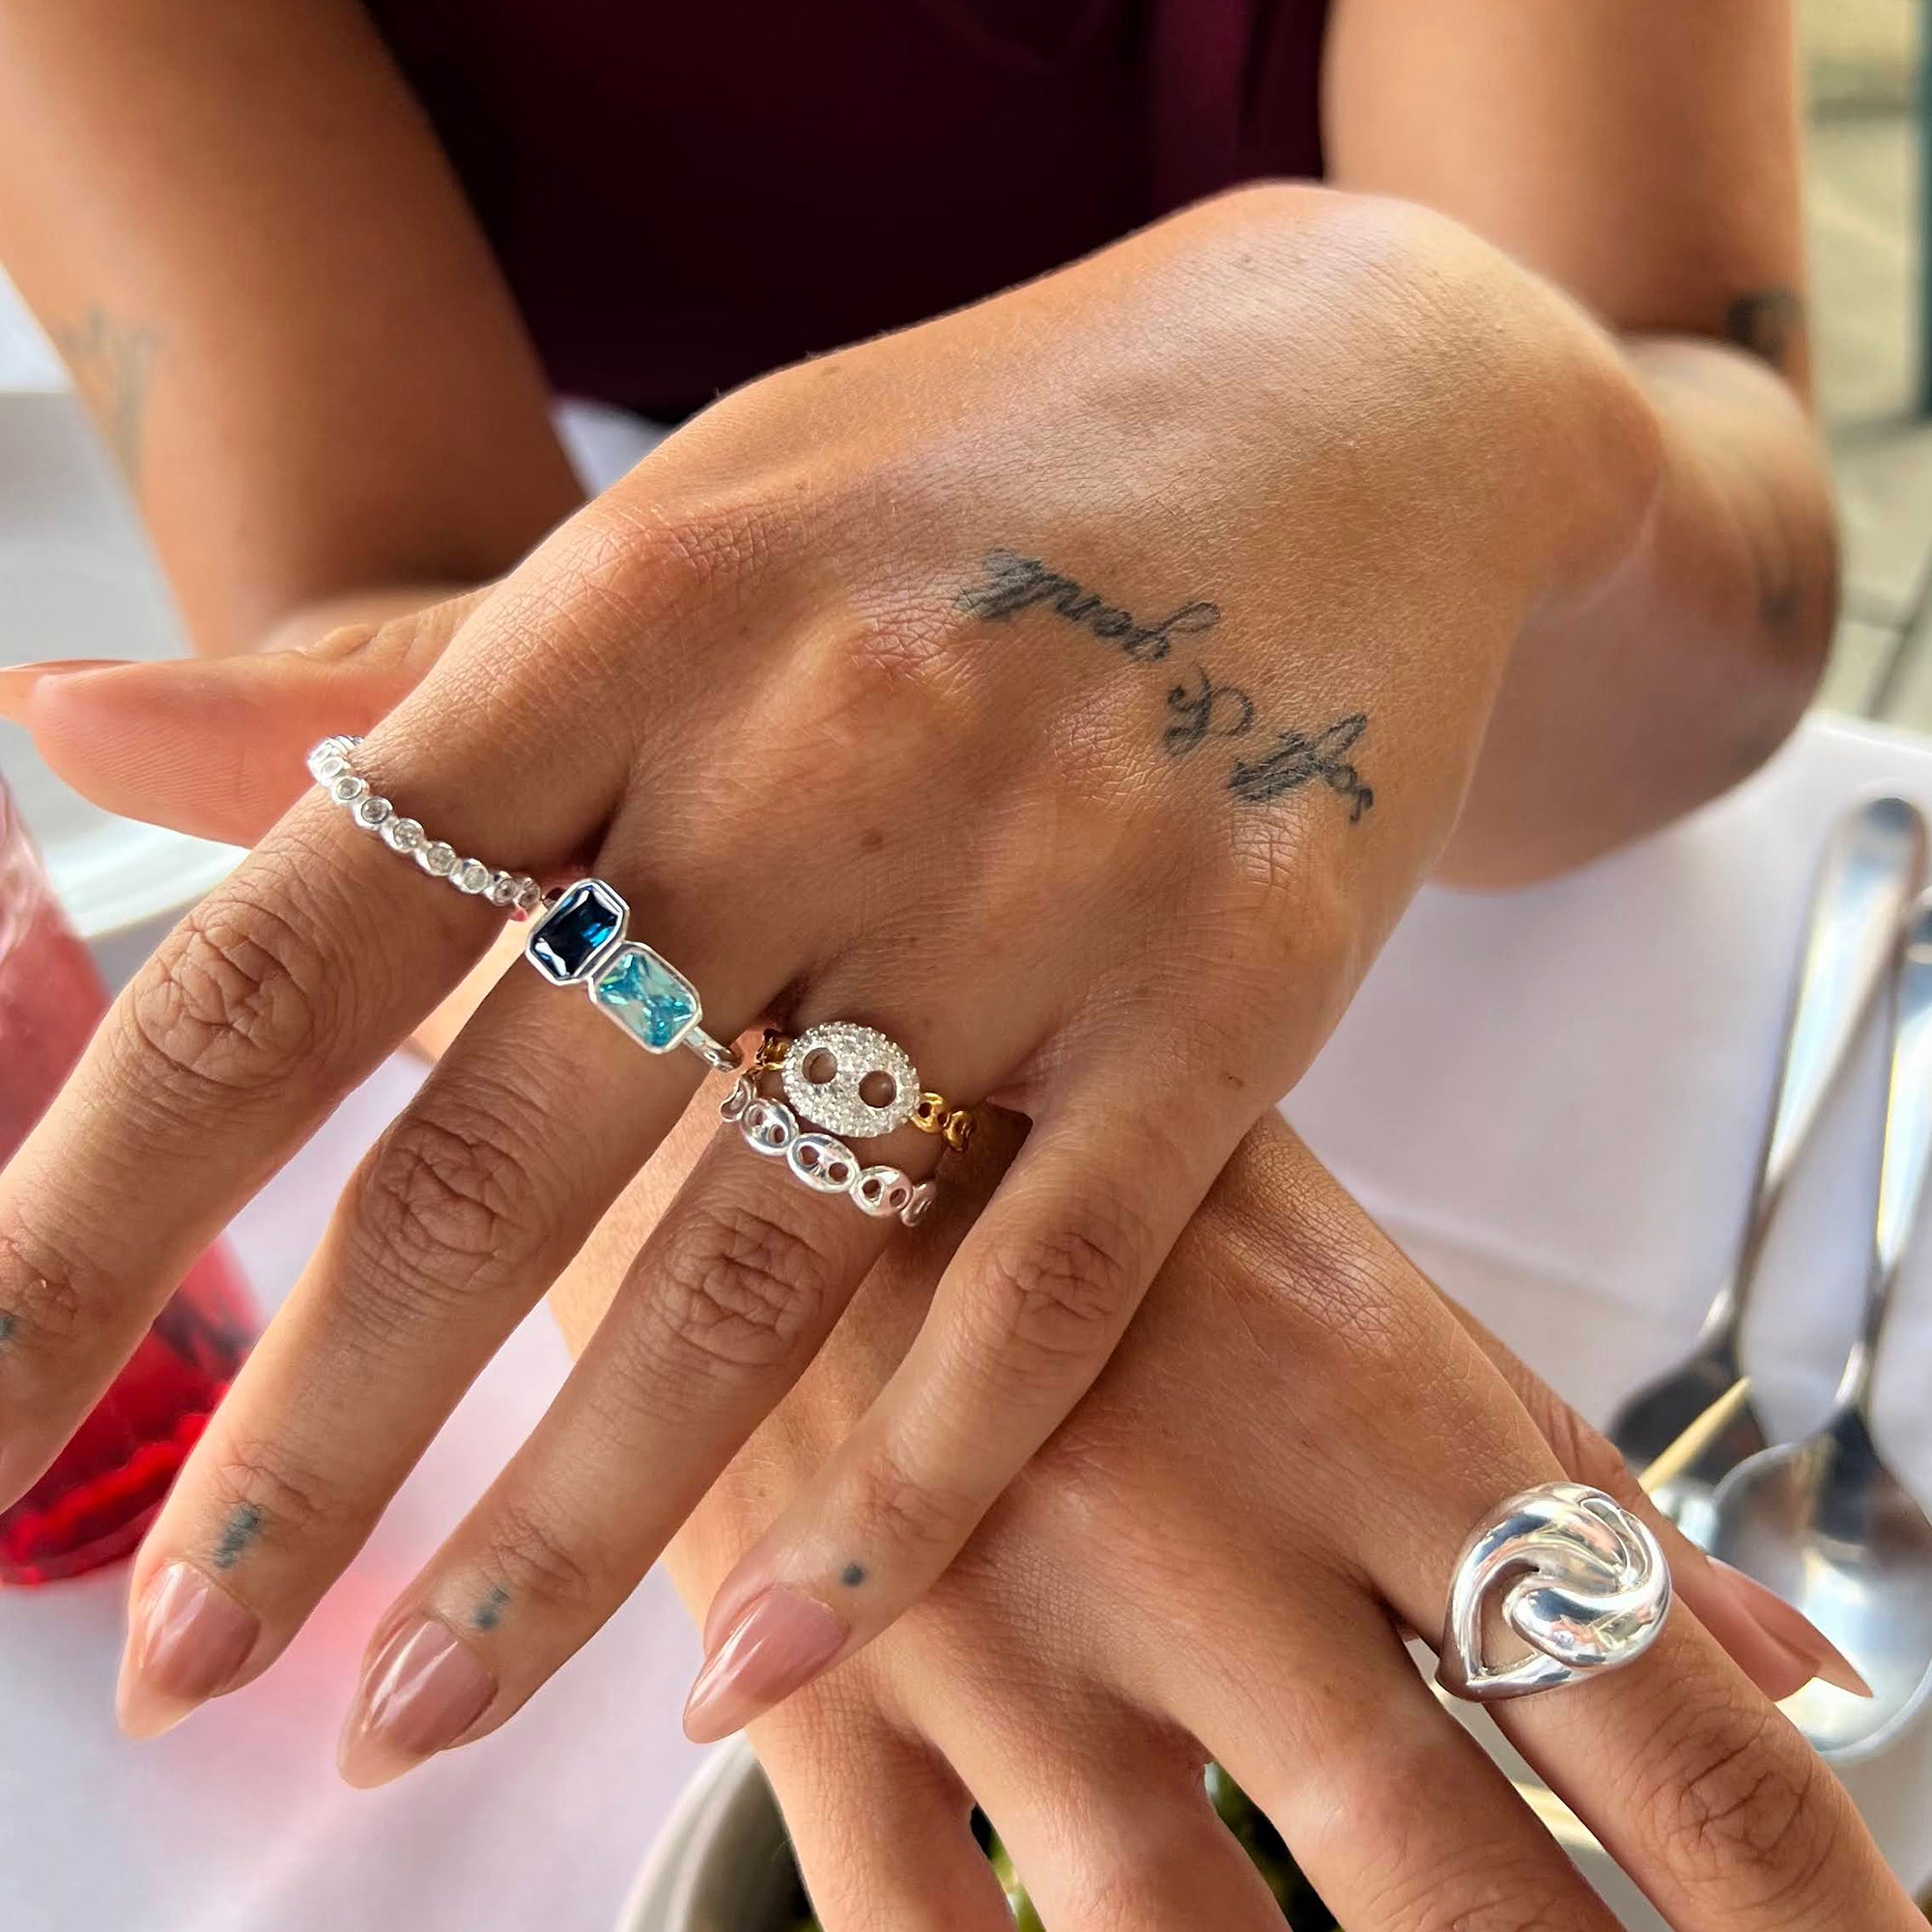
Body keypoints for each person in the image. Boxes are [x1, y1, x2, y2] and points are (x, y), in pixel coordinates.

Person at [0, 1, 1916, 1924]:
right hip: (648, 688)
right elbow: (369, 638)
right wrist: (767, 1142)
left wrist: (1414, 353)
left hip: (1472, 770)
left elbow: (1722, 594)